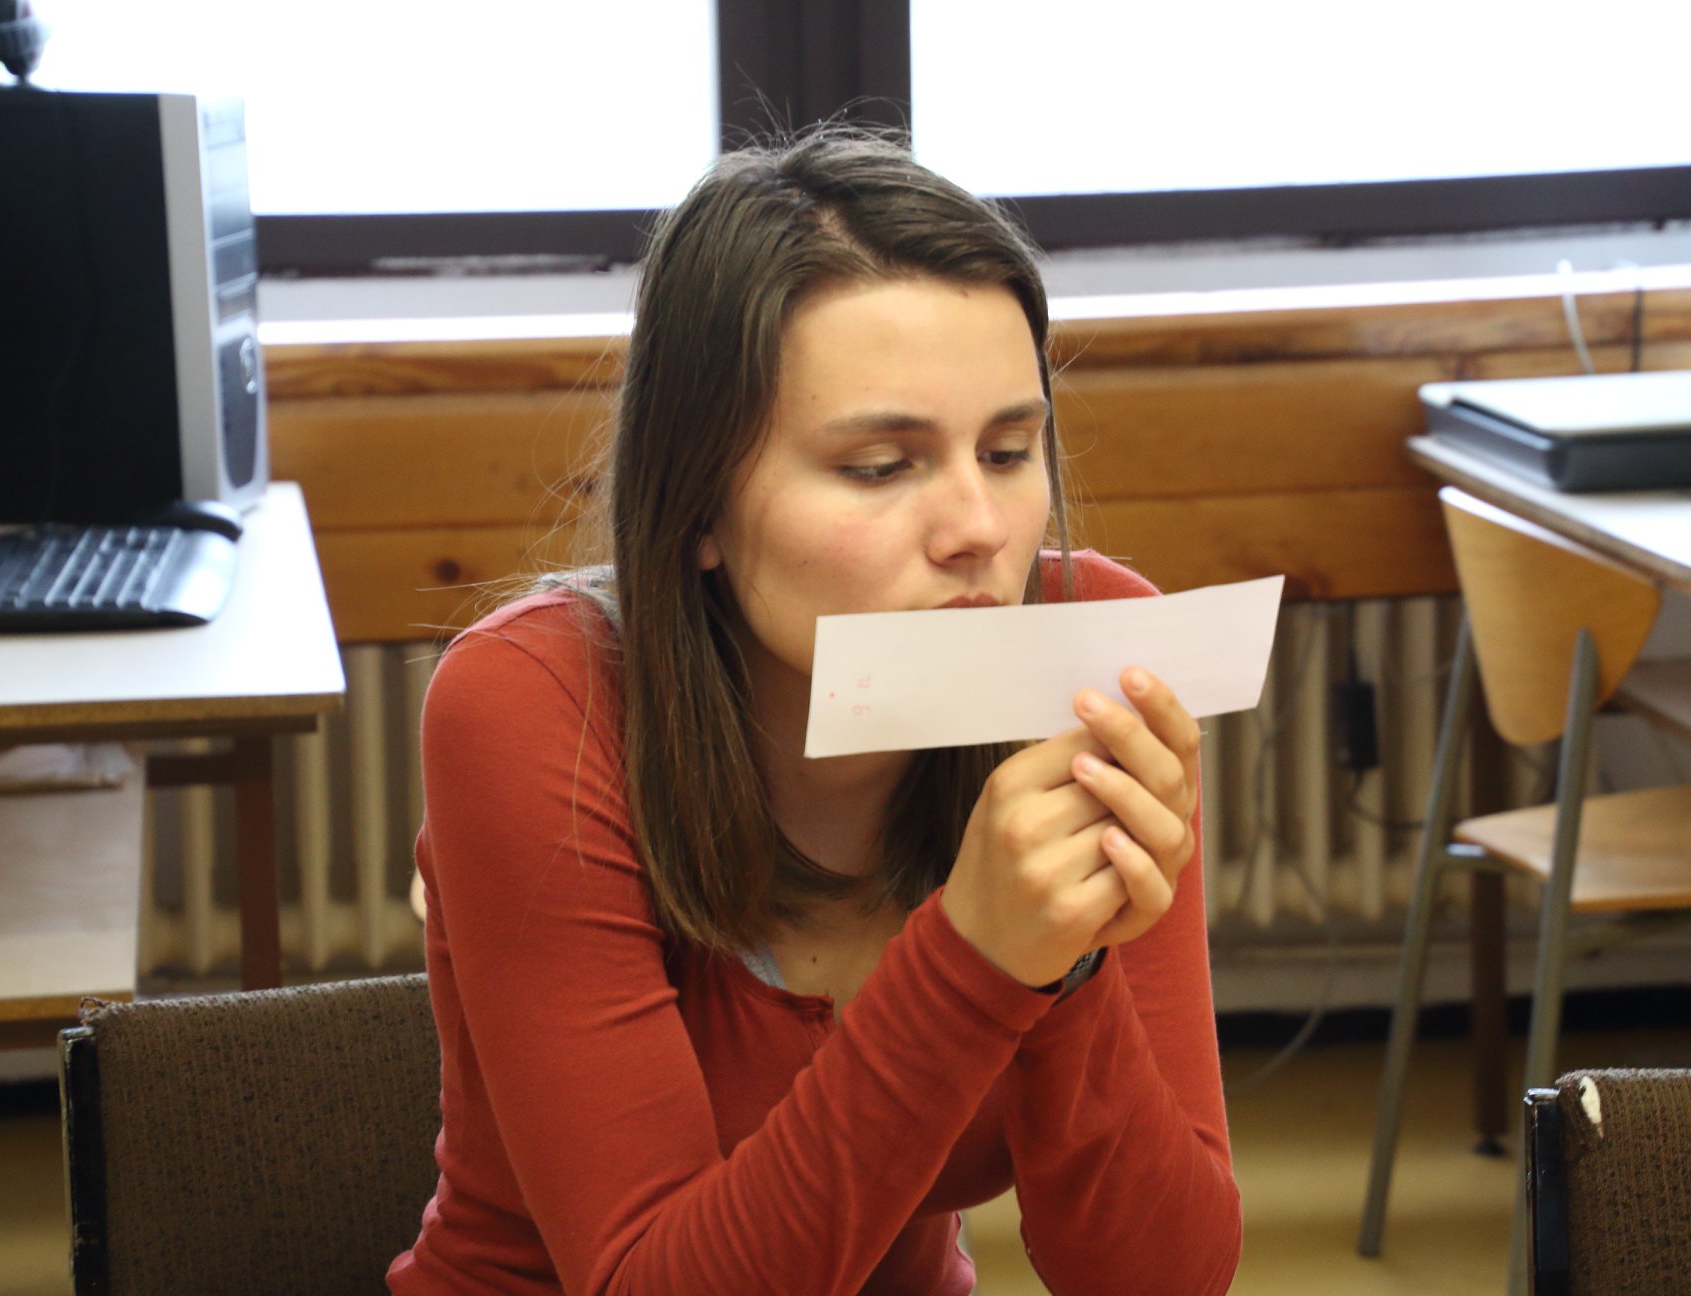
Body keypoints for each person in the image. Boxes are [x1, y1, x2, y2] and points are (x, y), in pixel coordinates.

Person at [386, 127, 1242, 1296]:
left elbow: (1160, 1278)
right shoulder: (533, 701)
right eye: (880, 467)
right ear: (698, 506)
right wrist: (976, 958)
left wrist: (1068, 965)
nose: (977, 530)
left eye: (1008, 450)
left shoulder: (1093, 646)